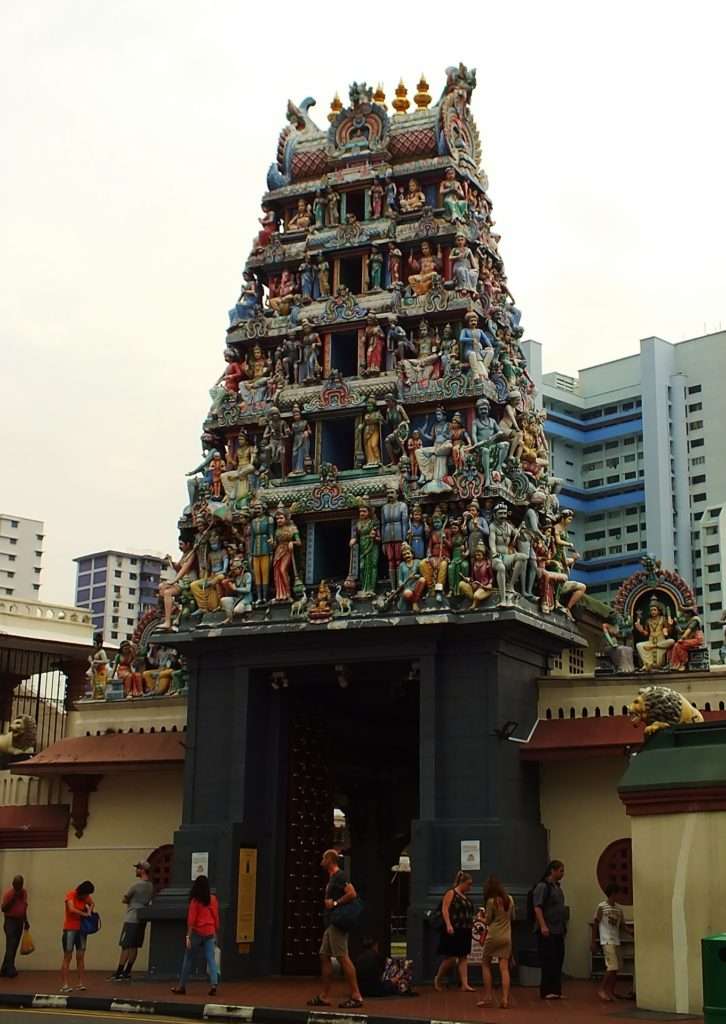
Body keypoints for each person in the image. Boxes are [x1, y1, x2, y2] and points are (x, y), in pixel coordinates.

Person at [307, 849, 363, 1009]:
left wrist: (336, 903)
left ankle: (356, 995)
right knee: (324, 956)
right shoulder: (333, 877)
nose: (321, 862)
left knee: (343, 957)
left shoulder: (340, 876)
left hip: (338, 923)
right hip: (331, 923)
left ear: (330, 860)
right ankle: (324, 995)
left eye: (323, 858)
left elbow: (352, 894)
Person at [171, 875, 219, 997]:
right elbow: (216, 916)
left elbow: (191, 920)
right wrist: (215, 931)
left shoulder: (195, 901)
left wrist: (188, 937)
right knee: (211, 959)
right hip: (210, 931)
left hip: (197, 932)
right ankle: (214, 984)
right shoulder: (212, 899)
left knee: (188, 959)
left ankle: (181, 986)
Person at [111, 861, 154, 981]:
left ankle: (119, 972)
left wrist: (129, 901)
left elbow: (125, 898)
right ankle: (127, 971)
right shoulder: (150, 886)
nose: (136, 871)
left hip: (131, 918)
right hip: (142, 918)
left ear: (142, 870)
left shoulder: (136, 885)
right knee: (135, 945)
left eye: (137, 869)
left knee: (125, 945)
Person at [433, 870, 475, 992]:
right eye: (468, 884)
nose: (470, 887)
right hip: (453, 929)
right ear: (462, 882)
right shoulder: (451, 893)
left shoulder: (466, 898)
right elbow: (445, 909)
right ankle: (438, 978)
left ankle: (465, 984)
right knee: (451, 957)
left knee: (463, 957)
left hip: (465, 929)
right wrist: (448, 924)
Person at [477, 875, 514, 1009]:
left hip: (493, 936)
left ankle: (488, 997)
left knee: (485, 963)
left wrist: (479, 918)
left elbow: (487, 921)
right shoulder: (509, 899)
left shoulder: (491, 902)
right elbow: (512, 917)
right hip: (507, 936)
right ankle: (505, 999)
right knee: (504, 968)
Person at [533, 860, 566, 1000]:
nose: (563, 873)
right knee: (548, 960)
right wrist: (543, 925)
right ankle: (546, 990)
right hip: (548, 929)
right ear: (552, 870)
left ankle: (556, 990)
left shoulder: (557, 887)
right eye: (561, 870)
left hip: (558, 929)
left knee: (558, 959)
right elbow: (537, 907)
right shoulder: (542, 887)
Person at [592, 884, 629, 1002]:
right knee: (611, 966)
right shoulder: (602, 907)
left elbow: (623, 926)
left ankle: (611, 991)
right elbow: (596, 924)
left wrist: (632, 932)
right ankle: (601, 988)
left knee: (616, 968)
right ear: (613, 893)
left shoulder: (618, 910)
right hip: (607, 940)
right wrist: (593, 941)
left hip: (616, 940)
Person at [60, 880, 95, 994]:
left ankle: (80, 983)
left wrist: (89, 910)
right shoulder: (71, 894)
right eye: (86, 894)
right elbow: (71, 909)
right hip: (70, 928)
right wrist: (85, 914)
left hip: (81, 929)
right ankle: (65, 984)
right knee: (68, 956)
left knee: (80, 956)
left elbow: (92, 903)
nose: (87, 897)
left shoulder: (86, 898)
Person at [1, 875, 29, 977]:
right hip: (10, 921)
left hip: (20, 921)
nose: (18, 887)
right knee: (11, 944)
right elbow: (3, 909)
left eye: (20, 885)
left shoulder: (24, 893)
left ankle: (4, 968)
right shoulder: (9, 894)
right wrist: (13, 899)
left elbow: (24, 907)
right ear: (13, 884)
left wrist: (26, 921)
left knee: (14, 945)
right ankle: (10, 969)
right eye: (16, 885)